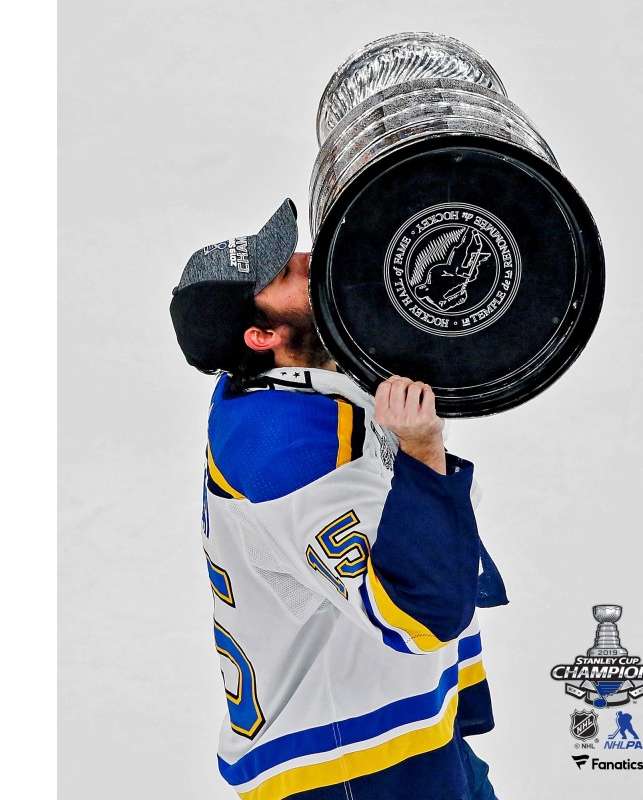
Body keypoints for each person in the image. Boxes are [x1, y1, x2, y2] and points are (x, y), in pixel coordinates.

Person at [170, 199, 507, 800]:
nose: (307, 259)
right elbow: (419, 612)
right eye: (283, 273)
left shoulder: (293, 375)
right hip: (348, 765)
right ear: (263, 336)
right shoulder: (284, 453)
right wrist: (422, 448)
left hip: (397, 719)